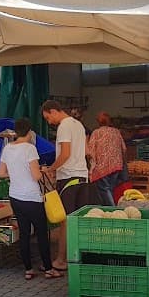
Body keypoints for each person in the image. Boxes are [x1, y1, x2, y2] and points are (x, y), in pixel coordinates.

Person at [0, 118, 61, 279]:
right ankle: (48, 268)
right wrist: (43, 170)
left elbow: (1, 173)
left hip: (15, 196)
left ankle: (28, 270)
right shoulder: (30, 149)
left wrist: (17, 173)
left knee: (24, 233)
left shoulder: (7, 148)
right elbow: (35, 176)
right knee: (41, 233)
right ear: (29, 131)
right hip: (32, 197)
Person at [41, 99, 90, 270]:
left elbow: (65, 154)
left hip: (69, 178)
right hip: (83, 177)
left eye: (48, 117)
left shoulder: (64, 126)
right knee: (79, 221)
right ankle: (81, 257)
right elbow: (86, 151)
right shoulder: (79, 125)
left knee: (66, 222)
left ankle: (61, 260)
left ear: (54, 111)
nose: (49, 122)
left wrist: (51, 169)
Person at [87, 112, 127, 206]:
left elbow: (91, 151)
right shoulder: (116, 131)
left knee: (105, 189)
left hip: (102, 167)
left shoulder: (96, 133)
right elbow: (124, 149)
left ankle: (113, 209)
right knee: (109, 188)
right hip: (116, 166)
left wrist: (91, 167)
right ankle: (108, 210)